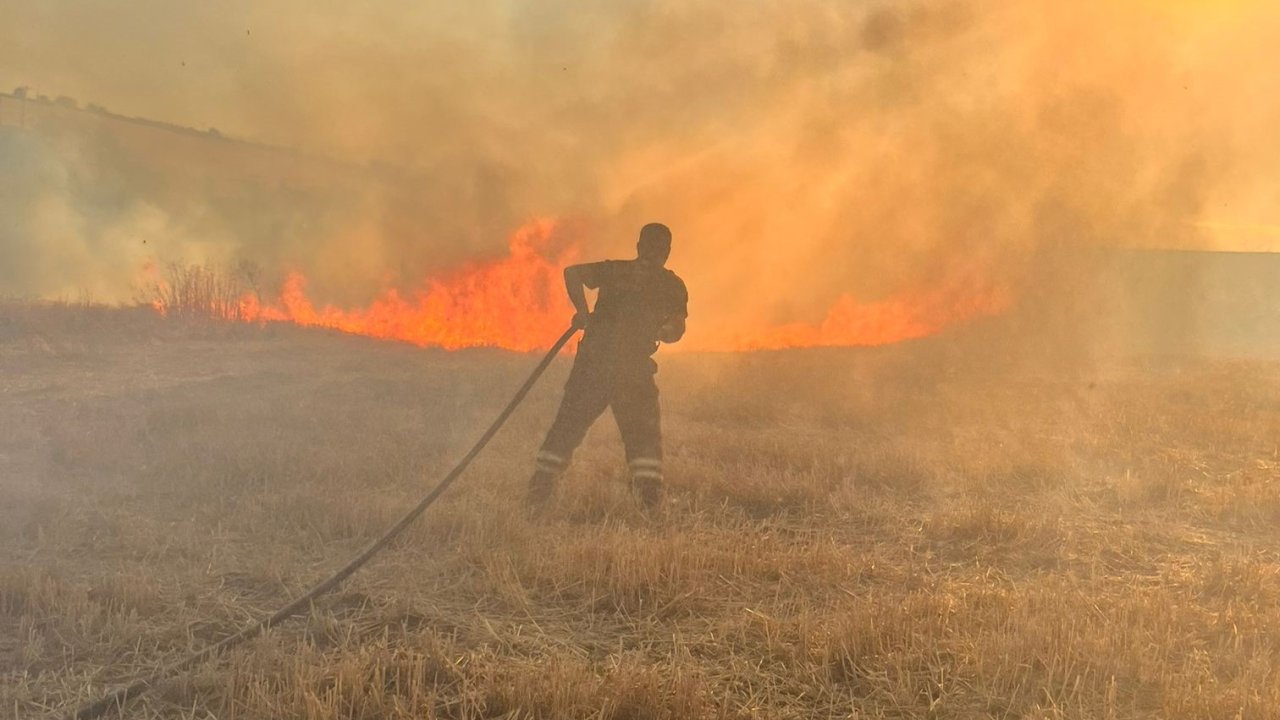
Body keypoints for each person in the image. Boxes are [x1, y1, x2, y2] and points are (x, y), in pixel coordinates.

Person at [528, 222, 688, 511]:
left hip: (597, 365)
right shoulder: (671, 285)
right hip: (629, 369)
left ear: (640, 247)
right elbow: (677, 328)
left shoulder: (617, 271)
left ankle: (539, 493)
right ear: (667, 252)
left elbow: (572, 273)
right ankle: (649, 503)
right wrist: (663, 331)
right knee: (643, 438)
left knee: (567, 428)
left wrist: (583, 312)